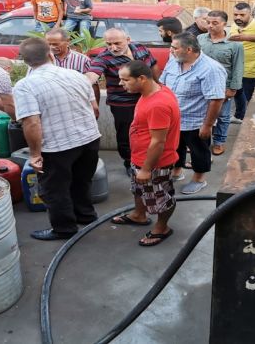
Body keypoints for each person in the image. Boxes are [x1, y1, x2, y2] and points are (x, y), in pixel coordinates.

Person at [13, 38, 101, 240]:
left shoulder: (25, 86)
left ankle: (64, 229)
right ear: (50, 55)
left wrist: (35, 155)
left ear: (25, 61)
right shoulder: (76, 76)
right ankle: (86, 216)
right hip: (89, 139)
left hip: (57, 147)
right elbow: (94, 109)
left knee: (55, 190)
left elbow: (32, 123)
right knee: (81, 181)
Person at [112, 61, 181, 246]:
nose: (121, 84)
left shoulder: (158, 104)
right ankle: (139, 215)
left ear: (142, 78)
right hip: (140, 158)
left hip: (154, 164)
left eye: (125, 80)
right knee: (139, 189)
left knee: (161, 197)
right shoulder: (152, 91)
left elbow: (158, 141)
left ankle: (162, 228)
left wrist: (146, 169)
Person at [86, 28, 160, 175]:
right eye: (109, 44)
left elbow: (153, 65)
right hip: (122, 104)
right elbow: (92, 74)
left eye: (117, 43)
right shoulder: (104, 57)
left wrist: (158, 86)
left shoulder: (140, 48)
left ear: (128, 39)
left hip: (148, 99)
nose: (113, 47)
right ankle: (129, 162)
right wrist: (83, 82)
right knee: (126, 135)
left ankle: (152, 159)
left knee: (152, 131)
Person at [161, 32, 227, 194]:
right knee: (175, 148)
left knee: (199, 151)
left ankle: (199, 179)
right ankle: (176, 172)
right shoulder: (174, 61)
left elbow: (216, 99)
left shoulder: (210, 69)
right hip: (173, 119)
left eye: (175, 48)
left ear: (189, 49)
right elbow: (162, 84)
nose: (171, 50)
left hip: (195, 121)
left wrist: (207, 125)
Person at [197, 10, 244, 156]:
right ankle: (199, 141)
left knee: (222, 116)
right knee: (199, 114)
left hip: (223, 87)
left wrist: (233, 88)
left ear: (224, 24)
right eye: (208, 22)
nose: (210, 26)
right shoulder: (200, 39)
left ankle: (219, 142)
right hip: (201, 85)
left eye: (215, 23)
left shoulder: (235, 45)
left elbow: (238, 67)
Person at [229, 2, 255, 122]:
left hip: (251, 71)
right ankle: (239, 116)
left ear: (250, 14)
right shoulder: (234, 26)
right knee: (237, 94)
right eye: (235, 14)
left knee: (249, 98)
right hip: (236, 69)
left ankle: (250, 122)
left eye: (242, 15)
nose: (238, 17)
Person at [45, 28, 100, 104]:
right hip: (51, 104)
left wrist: (95, 106)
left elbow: (93, 86)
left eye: (55, 44)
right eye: (48, 44)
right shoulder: (41, 60)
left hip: (76, 104)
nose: (51, 47)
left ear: (68, 41)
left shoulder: (83, 60)